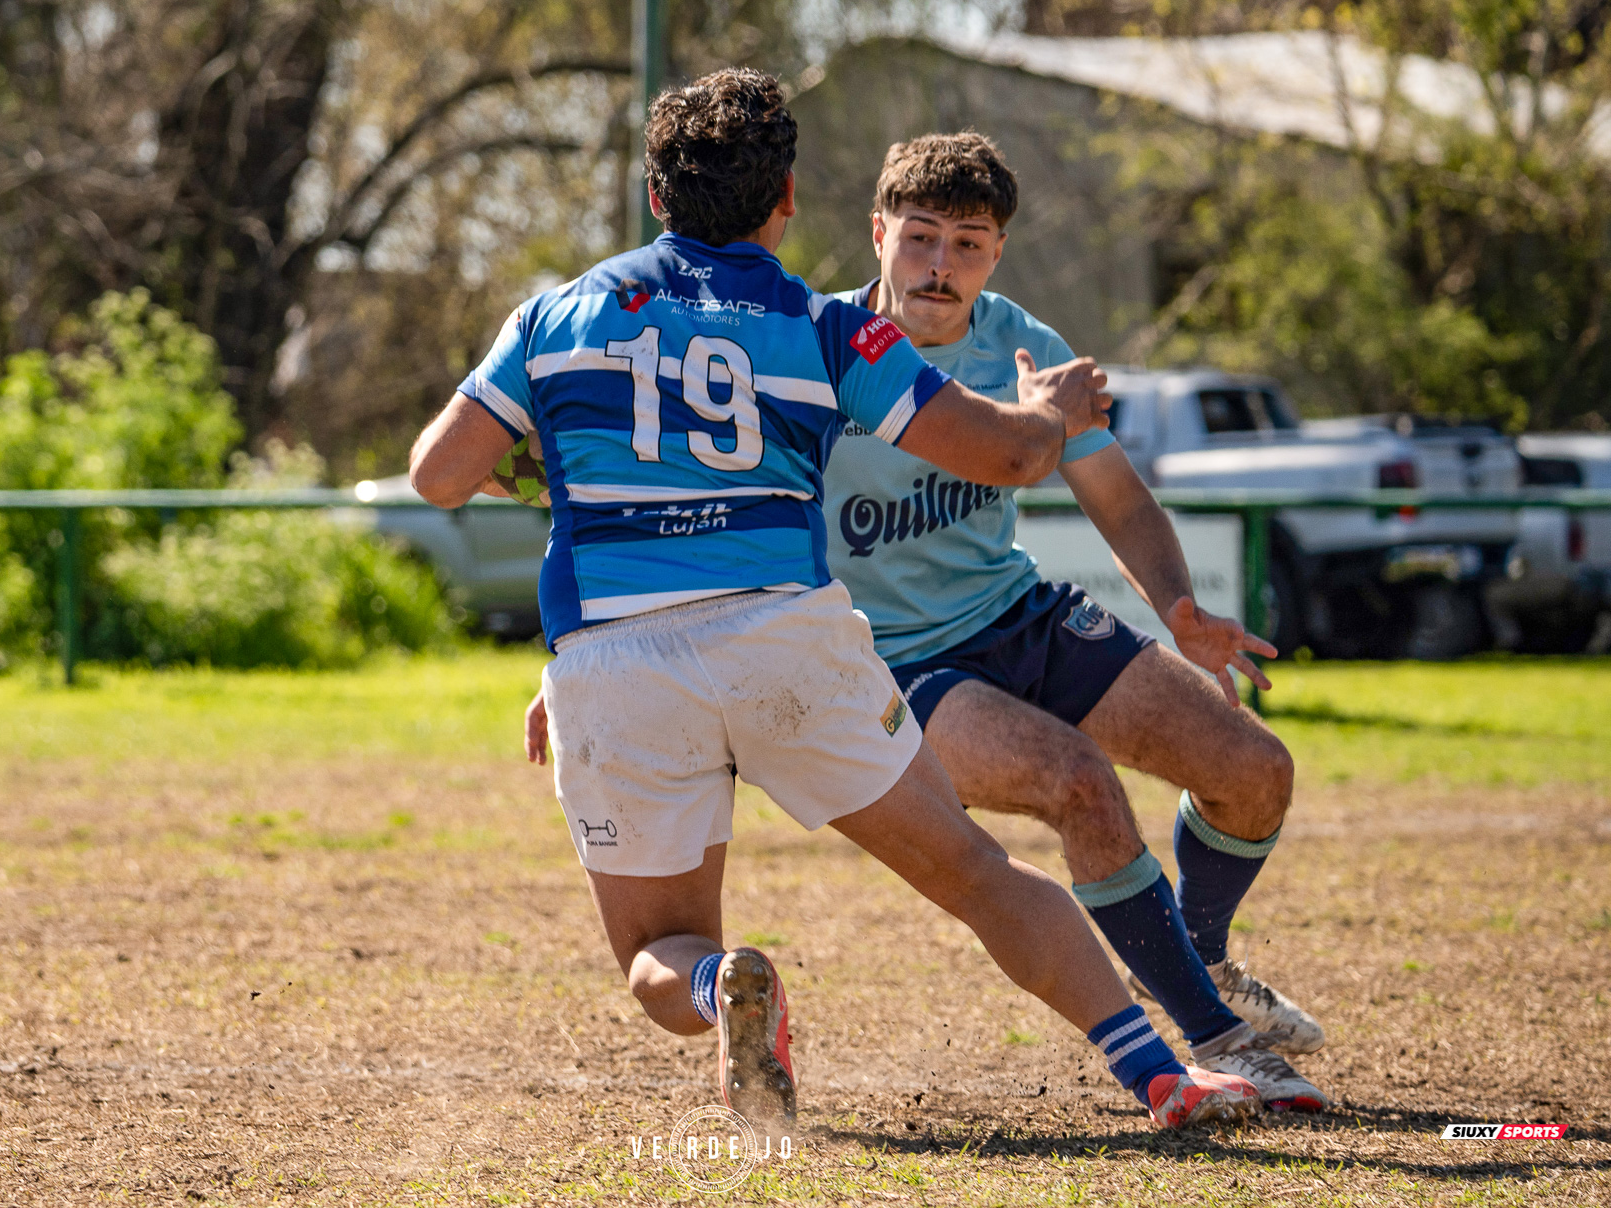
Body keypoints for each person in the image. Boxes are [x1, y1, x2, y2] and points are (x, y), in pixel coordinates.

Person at [418, 68, 1259, 1132]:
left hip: (616, 659)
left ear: (655, 196)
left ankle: (719, 984)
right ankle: (1160, 1075)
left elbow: (438, 476)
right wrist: (1049, 414)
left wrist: (563, 465)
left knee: (655, 948)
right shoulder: (826, 329)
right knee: (978, 872)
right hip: (785, 641)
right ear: (786, 200)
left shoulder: (554, 317)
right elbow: (1004, 455)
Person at [828, 132, 1326, 1108]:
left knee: (1254, 771)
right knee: (1080, 785)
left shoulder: (1025, 348)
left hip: (1015, 611)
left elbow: (1117, 498)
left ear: (997, 253)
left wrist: (1178, 608)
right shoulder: (819, 349)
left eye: (967, 244)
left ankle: (1197, 954)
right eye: (920, 237)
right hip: (891, 662)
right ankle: (1222, 1038)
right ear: (878, 233)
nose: (939, 265)